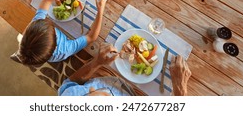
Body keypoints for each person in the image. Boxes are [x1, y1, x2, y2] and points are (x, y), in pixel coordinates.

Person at [18, 0, 106, 65]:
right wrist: (100, 10)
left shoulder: (35, 26)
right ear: (55, 39)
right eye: (53, 29)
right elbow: (91, 37)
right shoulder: (65, 49)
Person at [58, 43, 191, 96]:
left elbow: (70, 83)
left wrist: (96, 63)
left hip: (102, 73)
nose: (92, 89)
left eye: (87, 93)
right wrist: (180, 90)